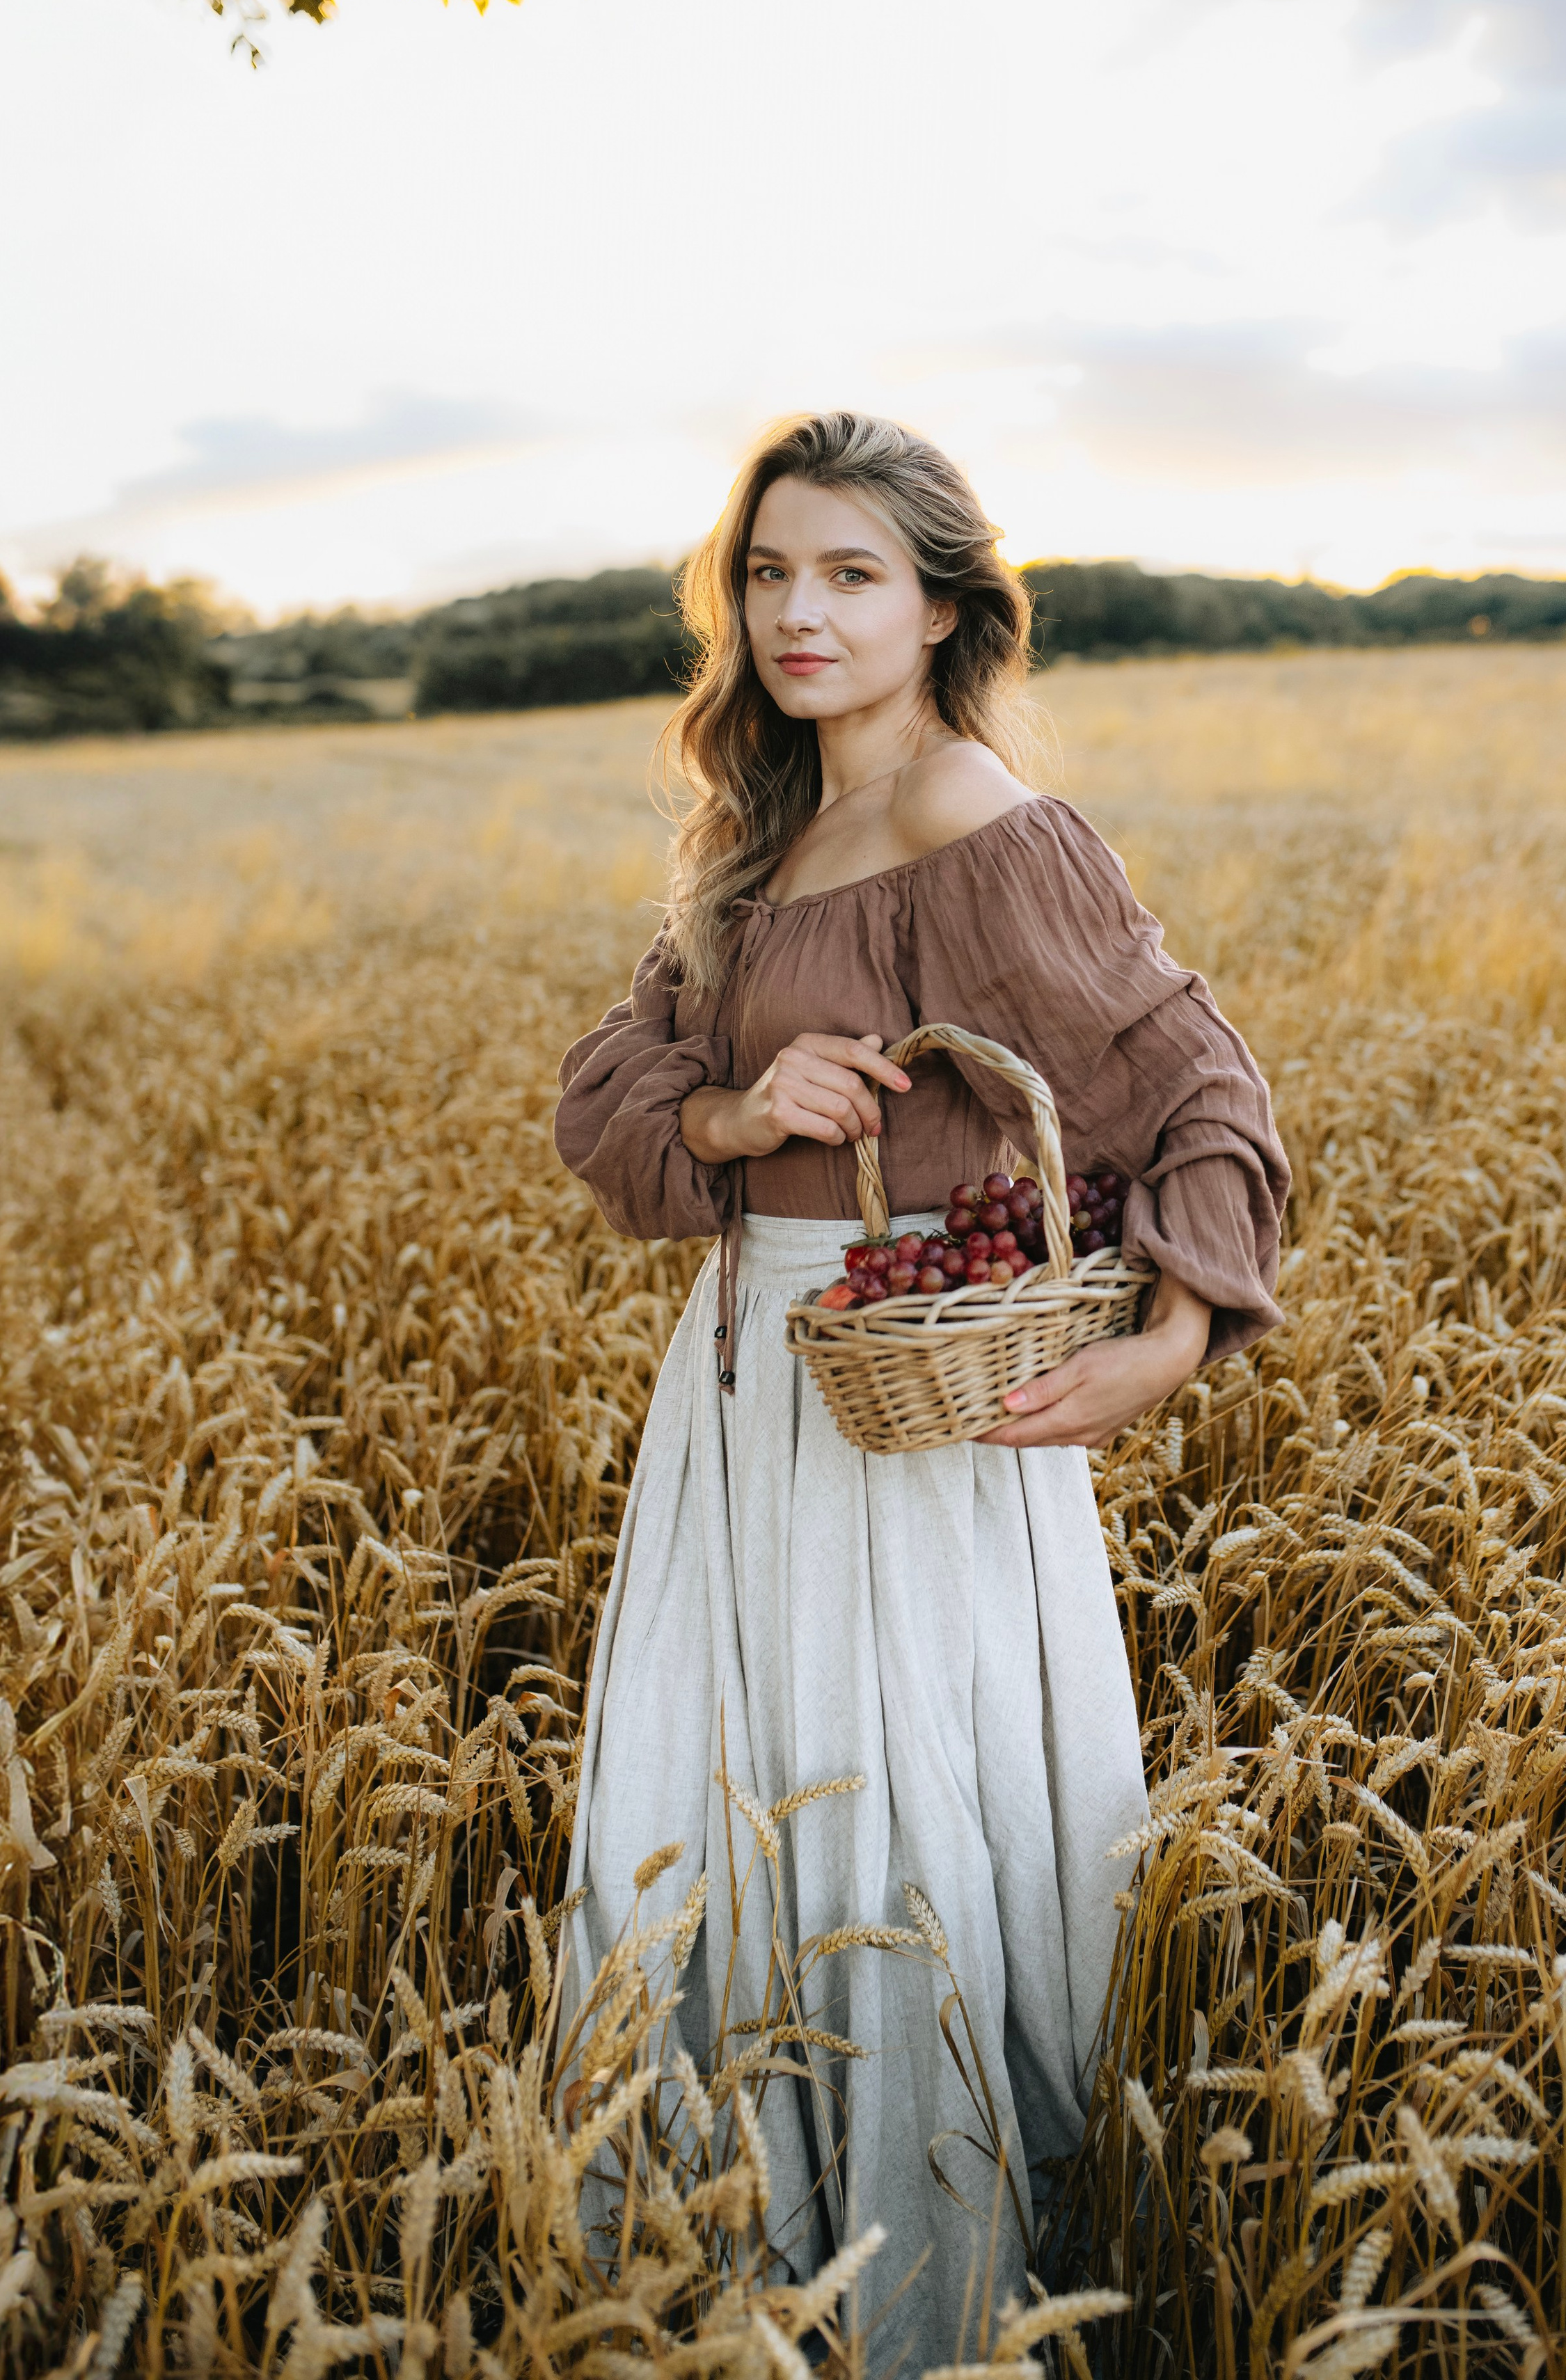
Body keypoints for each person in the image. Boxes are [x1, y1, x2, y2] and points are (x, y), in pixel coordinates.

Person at [551, 411, 1289, 2360]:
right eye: (771, 574)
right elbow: (609, 1103)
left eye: (851, 575)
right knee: (719, 1816)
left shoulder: (986, 824)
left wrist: (1172, 1334)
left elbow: (1197, 1088)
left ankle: (935, 2285)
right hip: (737, 1405)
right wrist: (734, 1100)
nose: (800, 613)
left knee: (895, 1829)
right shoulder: (759, 835)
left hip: (917, 1408)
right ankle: (738, 2256)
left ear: (945, 604)